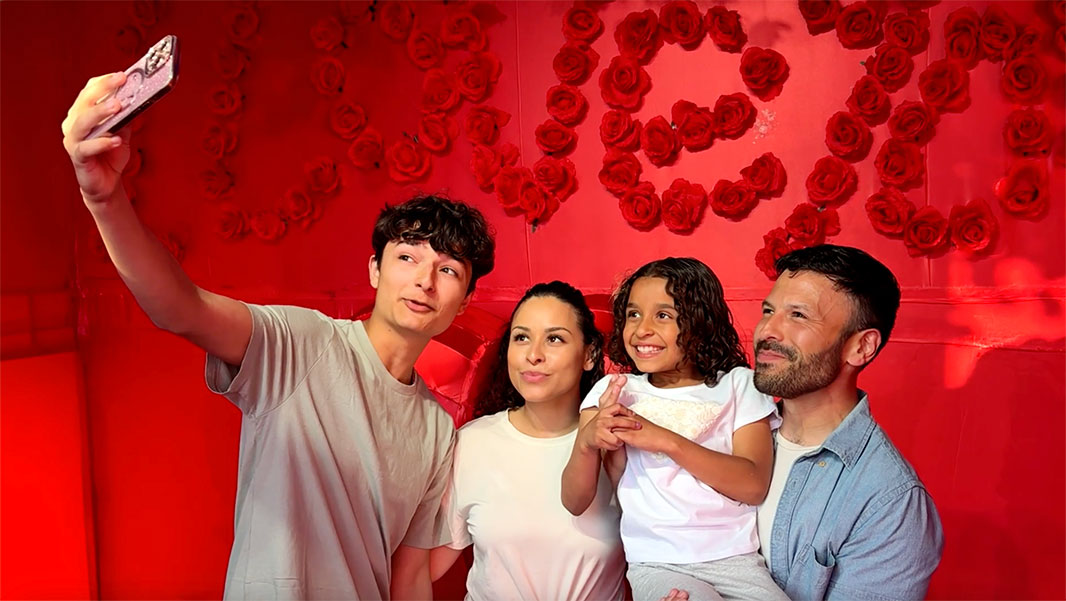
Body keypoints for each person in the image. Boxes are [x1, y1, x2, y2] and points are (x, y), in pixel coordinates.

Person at [61, 72, 496, 600]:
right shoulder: (302, 343)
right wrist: (105, 198)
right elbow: (181, 308)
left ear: (465, 299)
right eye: (407, 257)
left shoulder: (436, 429)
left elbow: (407, 578)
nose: (425, 280)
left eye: (448, 270)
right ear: (375, 272)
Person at [562, 258, 789, 601]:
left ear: (700, 322)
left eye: (663, 315)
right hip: (658, 564)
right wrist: (586, 443)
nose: (642, 330)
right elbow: (575, 501)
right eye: (633, 314)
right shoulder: (614, 391)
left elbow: (753, 485)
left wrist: (666, 440)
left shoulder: (738, 386)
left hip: (736, 561)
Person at [753, 244, 943, 601]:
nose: (767, 330)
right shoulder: (725, 429)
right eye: (768, 310)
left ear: (861, 347)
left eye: (797, 315)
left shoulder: (889, 503)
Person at [429, 281, 627, 601]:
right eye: (521, 337)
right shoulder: (472, 443)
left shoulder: (617, 443)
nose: (534, 355)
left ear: (589, 354)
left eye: (554, 339)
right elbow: (425, 568)